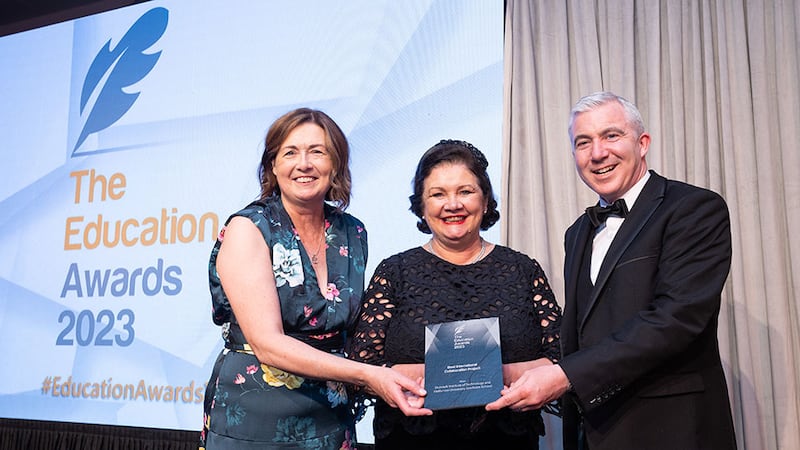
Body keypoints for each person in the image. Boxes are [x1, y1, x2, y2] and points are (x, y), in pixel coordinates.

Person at [486, 91, 737, 449]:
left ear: (643, 143)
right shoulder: (577, 233)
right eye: (583, 142)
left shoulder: (694, 208)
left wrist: (564, 375)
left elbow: (674, 320)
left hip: (672, 430)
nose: (598, 153)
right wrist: (519, 370)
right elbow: (581, 333)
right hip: (593, 431)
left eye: (611, 136)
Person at [199, 108, 430, 450]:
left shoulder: (353, 231)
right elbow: (268, 344)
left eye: (317, 152)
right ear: (272, 166)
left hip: (331, 415)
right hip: (255, 419)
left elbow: (356, 331)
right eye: (290, 152)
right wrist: (368, 375)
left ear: (335, 164)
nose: (304, 164)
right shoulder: (249, 229)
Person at [349, 139, 562, 449]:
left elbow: (560, 358)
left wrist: (493, 373)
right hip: (410, 440)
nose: (453, 204)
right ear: (421, 206)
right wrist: (457, 374)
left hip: (507, 440)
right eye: (437, 194)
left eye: (465, 191)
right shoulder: (395, 272)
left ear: (486, 200)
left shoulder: (522, 269)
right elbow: (363, 364)